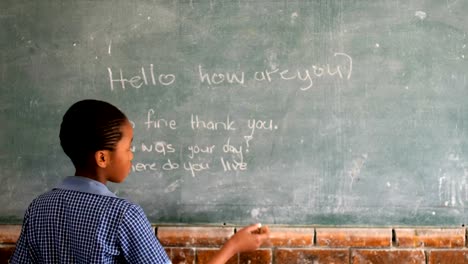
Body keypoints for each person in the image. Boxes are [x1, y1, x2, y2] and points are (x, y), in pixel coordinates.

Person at [10, 99, 270, 263]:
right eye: (128, 147)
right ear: (102, 157)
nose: (132, 155)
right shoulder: (122, 215)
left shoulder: (39, 207)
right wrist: (232, 247)